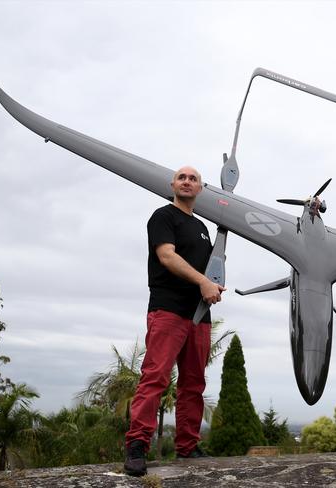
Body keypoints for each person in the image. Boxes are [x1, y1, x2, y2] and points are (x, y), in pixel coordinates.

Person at [124, 166, 225, 476]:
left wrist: (214, 285)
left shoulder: (205, 228)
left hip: (199, 315)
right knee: (155, 377)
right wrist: (203, 283)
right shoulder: (163, 216)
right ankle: (137, 445)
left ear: (200, 189)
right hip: (168, 309)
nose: (186, 181)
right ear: (172, 184)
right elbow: (167, 256)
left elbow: (210, 269)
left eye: (192, 178)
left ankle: (187, 446)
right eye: (181, 177)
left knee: (194, 383)